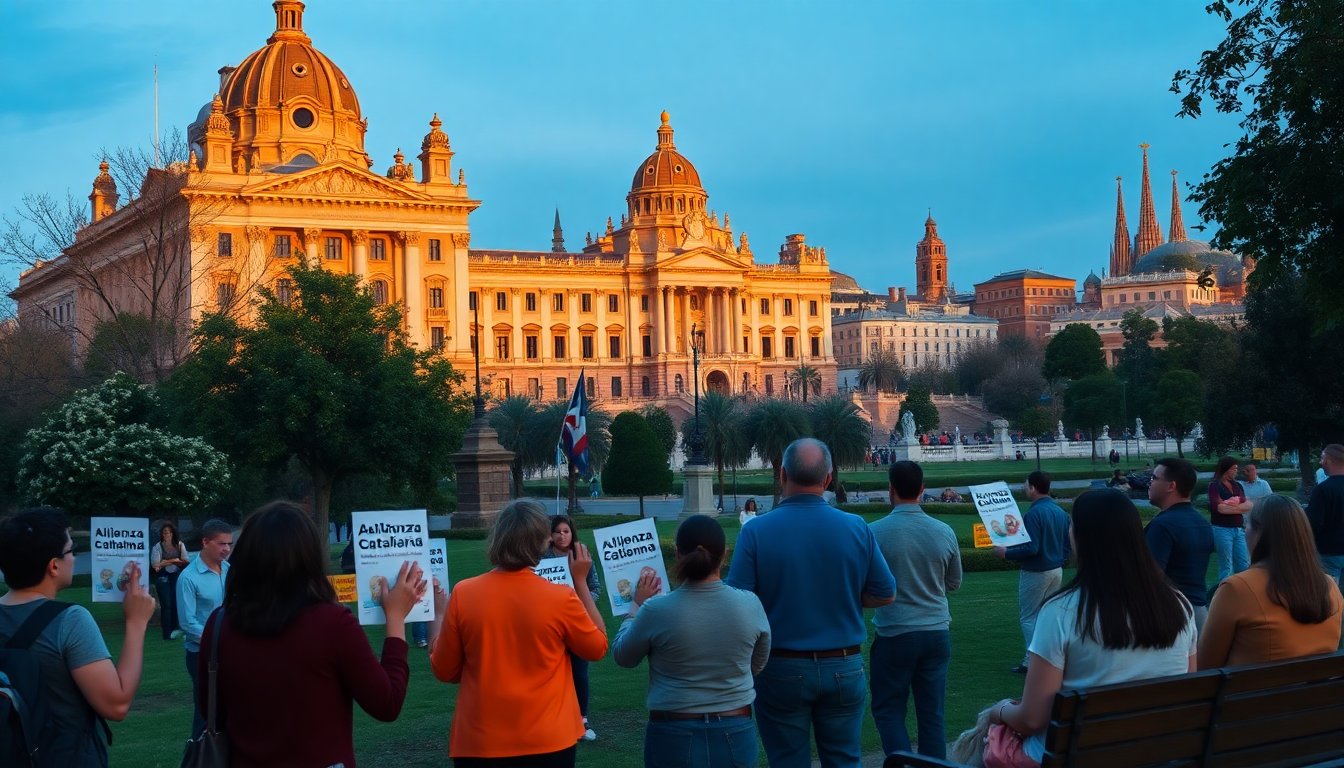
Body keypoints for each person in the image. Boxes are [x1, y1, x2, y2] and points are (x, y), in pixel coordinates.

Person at [199, 501, 424, 767]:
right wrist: (396, 619)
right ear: (309, 557)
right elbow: (386, 703)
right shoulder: (332, 623)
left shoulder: (219, 624)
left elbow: (211, 709)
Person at [990, 489, 1197, 763]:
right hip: (1154, 751)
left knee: (989, 737)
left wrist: (998, 710)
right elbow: (1188, 687)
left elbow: (1032, 719)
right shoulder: (1179, 604)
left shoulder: (1061, 611)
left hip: (1077, 754)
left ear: (1083, 537)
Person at [725, 438, 896, 768]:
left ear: (782, 475)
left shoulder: (757, 531)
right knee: (845, 760)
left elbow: (738, 605)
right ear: (828, 478)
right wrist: (846, 597)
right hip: (843, 666)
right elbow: (886, 592)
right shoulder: (856, 527)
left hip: (780, 667)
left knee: (788, 761)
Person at [430, 499, 607, 767]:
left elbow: (445, 670)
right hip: (549, 741)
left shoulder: (464, 594)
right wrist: (580, 582)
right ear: (541, 542)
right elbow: (598, 646)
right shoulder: (560, 598)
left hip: (480, 742)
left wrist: (438, 613)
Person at [0, 507, 155, 766]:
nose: (73, 557)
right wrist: (136, 622)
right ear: (53, 566)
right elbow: (116, 705)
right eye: (71, 550)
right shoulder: (69, 620)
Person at [612, 515, 771, 768]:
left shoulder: (655, 610)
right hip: (734, 728)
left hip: (673, 730)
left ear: (677, 553)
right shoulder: (750, 604)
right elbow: (758, 663)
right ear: (724, 554)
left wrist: (635, 607)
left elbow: (623, 655)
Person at [868, 461, 962, 759]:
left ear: (890, 490)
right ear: (922, 490)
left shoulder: (873, 532)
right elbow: (954, 582)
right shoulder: (943, 530)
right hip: (936, 631)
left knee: (889, 709)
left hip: (895, 632)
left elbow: (865, 586)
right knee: (931, 713)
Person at [1198, 495, 1343, 668]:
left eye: (1247, 525)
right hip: (1319, 694)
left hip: (1251, 693)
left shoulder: (1237, 589)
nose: (1245, 531)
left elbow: (1205, 666)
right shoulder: (1330, 586)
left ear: (1259, 531)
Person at [994, 471, 1071, 674]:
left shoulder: (1034, 513)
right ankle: (1051, 657)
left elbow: (1032, 548)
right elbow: (1067, 544)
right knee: (1046, 615)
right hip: (1055, 569)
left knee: (1028, 616)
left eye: (1026, 485)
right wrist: (1060, 560)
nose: (1024, 488)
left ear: (1033, 488)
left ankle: (1032, 661)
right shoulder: (1060, 511)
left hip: (1037, 570)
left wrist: (1006, 553)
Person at [542, 515, 602, 742]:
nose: (561, 535)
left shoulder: (582, 557)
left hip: (578, 621)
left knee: (579, 671)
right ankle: (553, 718)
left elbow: (596, 587)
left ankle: (582, 719)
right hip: (550, 624)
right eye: (557, 531)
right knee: (551, 671)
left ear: (572, 533)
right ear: (550, 534)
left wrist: (581, 599)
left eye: (565, 531)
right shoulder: (541, 558)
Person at [1145, 458, 1216, 633]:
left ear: (1171, 486)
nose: (1150, 483)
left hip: (1171, 614)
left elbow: (1150, 576)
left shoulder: (1163, 525)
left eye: (1154, 478)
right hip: (1199, 612)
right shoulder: (1202, 522)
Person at [177, 518, 232, 740]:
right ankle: (199, 757)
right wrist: (218, 640)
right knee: (205, 712)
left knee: (229, 708)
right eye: (221, 544)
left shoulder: (230, 570)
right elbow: (187, 623)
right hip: (202, 654)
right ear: (205, 542)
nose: (227, 549)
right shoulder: (188, 578)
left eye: (229, 544)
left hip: (229, 650)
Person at [1208, 456, 1252, 581]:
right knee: (1226, 566)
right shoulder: (1214, 486)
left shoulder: (1237, 485)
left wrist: (1228, 504)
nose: (1236, 471)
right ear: (1226, 469)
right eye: (1234, 469)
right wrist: (1239, 506)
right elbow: (1219, 508)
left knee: (1243, 564)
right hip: (1222, 529)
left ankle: (1243, 592)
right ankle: (1224, 594)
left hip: (1238, 530)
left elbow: (1248, 505)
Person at [1306, 443, 1344, 588]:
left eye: (1322, 459)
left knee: (1329, 595)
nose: (1320, 463)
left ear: (1328, 461)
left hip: (1328, 552)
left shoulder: (1323, 490)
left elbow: (1314, 522)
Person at [150, 521, 189, 641]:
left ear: (173, 533)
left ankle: (176, 629)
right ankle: (167, 633)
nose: (166, 535)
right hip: (163, 577)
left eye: (168, 532)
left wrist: (165, 562)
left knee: (175, 602)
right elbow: (155, 565)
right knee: (166, 605)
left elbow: (185, 561)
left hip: (176, 576)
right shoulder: (157, 547)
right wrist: (174, 560)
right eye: (164, 533)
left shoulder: (180, 545)